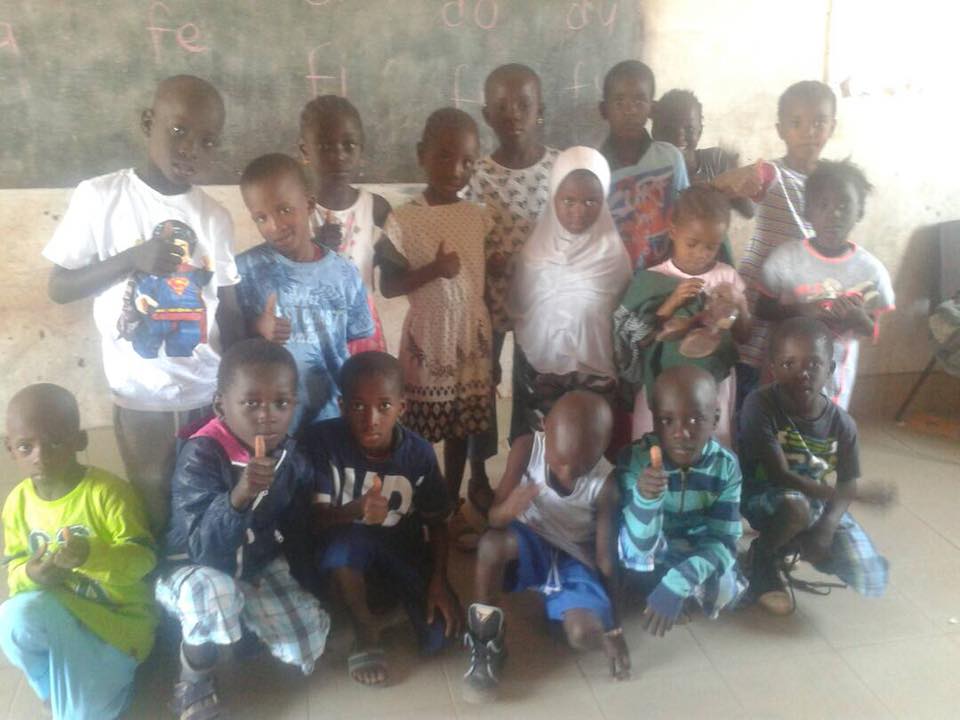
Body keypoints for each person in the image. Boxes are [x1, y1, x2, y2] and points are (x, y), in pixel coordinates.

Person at [43, 74, 242, 533]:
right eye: (178, 131)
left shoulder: (215, 217)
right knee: (151, 495)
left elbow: (230, 312)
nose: (191, 149)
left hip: (207, 392)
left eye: (207, 141)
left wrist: (238, 390)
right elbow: (60, 286)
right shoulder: (101, 197)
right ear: (148, 122)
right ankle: (159, 574)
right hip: (139, 394)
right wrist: (131, 260)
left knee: (209, 497)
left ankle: (203, 572)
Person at [156, 339, 329, 719]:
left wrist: (307, 584)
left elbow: (296, 526)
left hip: (251, 565)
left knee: (307, 639)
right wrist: (241, 494)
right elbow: (202, 547)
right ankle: (193, 681)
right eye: (251, 403)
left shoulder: (289, 455)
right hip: (192, 567)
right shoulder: (201, 454)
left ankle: (245, 625)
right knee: (213, 594)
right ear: (221, 405)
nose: (267, 416)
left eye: (281, 403)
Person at [302, 351, 459, 686]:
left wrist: (438, 582)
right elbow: (311, 523)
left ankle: (384, 605)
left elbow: (437, 523)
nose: (371, 419)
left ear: (402, 407)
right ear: (342, 406)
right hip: (345, 552)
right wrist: (355, 510)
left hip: (399, 548)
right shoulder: (322, 442)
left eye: (384, 406)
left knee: (441, 638)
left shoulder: (418, 453)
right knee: (346, 545)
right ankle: (365, 630)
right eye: (358, 406)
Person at [461, 391, 629, 704]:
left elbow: (606, 560)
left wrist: (614, 628)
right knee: (490, 546)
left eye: (581, 467)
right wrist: (509, 509)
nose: (567, 473)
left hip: (573, 558)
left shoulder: (606, 484)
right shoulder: (527, 448)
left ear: (602, 449)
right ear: (544, 428)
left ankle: (560, 607)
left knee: (580, 635)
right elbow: (494, 519)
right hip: (530, 539)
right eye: (560, 461)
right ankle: (486, 639)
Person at [0, 384, 156, 720]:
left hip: (118, 626)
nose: (40, 456)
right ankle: (56, 687)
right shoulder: (16, 504)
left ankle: (108, 687)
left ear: (80, 441)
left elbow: (144, 561)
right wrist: (31, 574)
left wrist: (91, 556)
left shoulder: (108, 493)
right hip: (65, 618)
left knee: (79, 715)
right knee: (11, 619)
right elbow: (14, 571)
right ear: (9, 448)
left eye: (55, 442)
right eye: (26, 447)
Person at [377, 107, 493, 509]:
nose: (456, 169)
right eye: (444, 156)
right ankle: (418, 503)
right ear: (421, 154)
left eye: (467, 161)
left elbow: (481, 270)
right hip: (428, 336)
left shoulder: (478, 217)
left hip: (470, 337)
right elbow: (388, 286)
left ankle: (449, 502)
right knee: (420, 429)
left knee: (462, 428)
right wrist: (434, 270)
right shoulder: (404, 219)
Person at [739, 318, 893, 616]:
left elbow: (846, 482)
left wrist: (827, 527)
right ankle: (763, 557)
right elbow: (780, 475)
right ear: (773, 368)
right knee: (796, 508)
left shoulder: (843, 424)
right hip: (764, 495)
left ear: (830, 368)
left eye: (814, 364)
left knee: (871, 577)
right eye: (789, 363)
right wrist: (858, 496)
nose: (802, 373)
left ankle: (791, 544)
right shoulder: (760, 405)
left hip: (817, 499)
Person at [464, 63, 560, 513]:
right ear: (486, 115)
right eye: (501, 106)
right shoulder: (476, 175)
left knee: (531, 389)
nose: (514, 114)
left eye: (524, 104)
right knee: (479, 387)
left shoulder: (559, 169)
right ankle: (478, 474)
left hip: (539, 306)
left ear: (541, 110)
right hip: (487, 302)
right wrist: (489, 260)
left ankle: (522, 471)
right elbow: (465, 238)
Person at [236, 153, 374, 430]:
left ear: (309, 204)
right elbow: (228, 341)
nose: (274, 226)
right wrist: (257, 327)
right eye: (261, 218)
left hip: (331, 419)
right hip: (269, 424)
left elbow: (355, 345)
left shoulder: (344, 273)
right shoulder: (244, 271)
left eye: (285, 210)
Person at [509, 146, 632, 441]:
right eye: (569, 201)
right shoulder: (534, 253)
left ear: (604, 200)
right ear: (554, 197)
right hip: (542, 372)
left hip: (596, 373)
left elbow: (622, 321)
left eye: (591, 201)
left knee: (589, 443)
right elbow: (521, 309)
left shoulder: (613, 256)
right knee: (545, 446)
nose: (579, 211)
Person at [614, 186, 751, 448]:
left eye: (711, 246)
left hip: (713, 384)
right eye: (692, 244)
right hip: (662, 382)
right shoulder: (653, 279)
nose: (701, 253)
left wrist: (740, 303)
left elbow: (744, 336)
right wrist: (672, 302)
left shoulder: (727, 277)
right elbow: (636, 338)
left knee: (712, 443)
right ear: (673, 232)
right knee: (653, 443)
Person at [616, 367, 746, 636]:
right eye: (667, 420)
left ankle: (673, 585)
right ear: (654, 420)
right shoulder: (636, 460)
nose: (682, 433)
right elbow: (638, 544)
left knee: (725, 591)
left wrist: (677, 583)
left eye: (696, 419)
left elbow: (724, 539)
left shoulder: (726, 466)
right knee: (634, 552)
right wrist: (646, 500)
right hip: (654, 544)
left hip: (697, 545)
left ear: (715, 419)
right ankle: (653, 584)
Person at [754, 160, 894, 409]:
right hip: (782, 379)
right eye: (823, 205)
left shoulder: (871, 271)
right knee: (778, 425)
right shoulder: (785, 259)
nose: (834, 214)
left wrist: (858, 318)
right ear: (808, 211)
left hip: (834, 386)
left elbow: (872, 330)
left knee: (824, 430)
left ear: (860, 211)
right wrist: (803, 311)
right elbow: (762, 310)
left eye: (844, 205)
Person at [735, 81, 837, 410]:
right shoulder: (771, 173)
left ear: (832, 127)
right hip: (761, 285)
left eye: (819, 122)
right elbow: (745, 196)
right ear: (781, 130)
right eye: (797, 123)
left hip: (802, 291)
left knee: (794, 367)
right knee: (748, 367)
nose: (809, 131)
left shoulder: (832, 182)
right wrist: (739, 184)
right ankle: (744, 427)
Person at [300, 94, 392, 353]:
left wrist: (385, 255)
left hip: (360, 323)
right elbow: (282, 271)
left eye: (349, 145)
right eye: (325, 146)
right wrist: (314, 249)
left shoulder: (375, 207)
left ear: (361, 150)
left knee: (366, 378)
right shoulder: (296, 209)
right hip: (312, 323)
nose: (338, 155)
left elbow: (395, 262)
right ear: (305, 151)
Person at [599, 60, 689, 270]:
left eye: (639, 101)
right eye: (619, 102)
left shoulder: (670, 158)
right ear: (604, 110)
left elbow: (686, 216)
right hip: (613, 277)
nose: (630, 110)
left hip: (666, 275)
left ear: (652, 109)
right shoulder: (594, 168)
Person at [650, 88, 754, 218]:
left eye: (689, 129)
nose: (679, 137)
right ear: (654, 131)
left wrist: (737, 174)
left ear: (699, 132)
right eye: (668, 128)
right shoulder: (648, 173)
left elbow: (748, 212)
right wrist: (713, 187)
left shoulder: (716, 161)